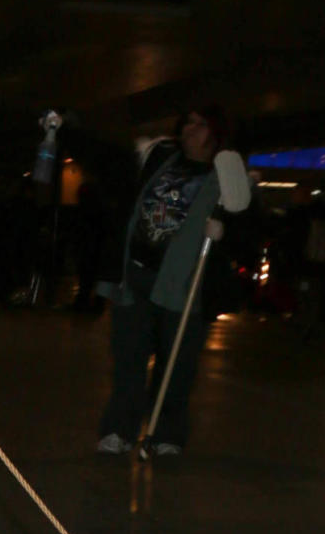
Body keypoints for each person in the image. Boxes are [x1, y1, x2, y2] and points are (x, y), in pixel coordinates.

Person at [96, 105, 249, 456]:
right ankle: (119, 430)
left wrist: (226, 231)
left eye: (200, 124)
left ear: (216, 132)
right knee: (128, 359)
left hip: (185, 286)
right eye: (188, 123)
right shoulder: (161, 159)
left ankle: (167, 433)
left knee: (177, 365)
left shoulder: (226, 171)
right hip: (135, 275)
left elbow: (246, 221)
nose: (190, 130)